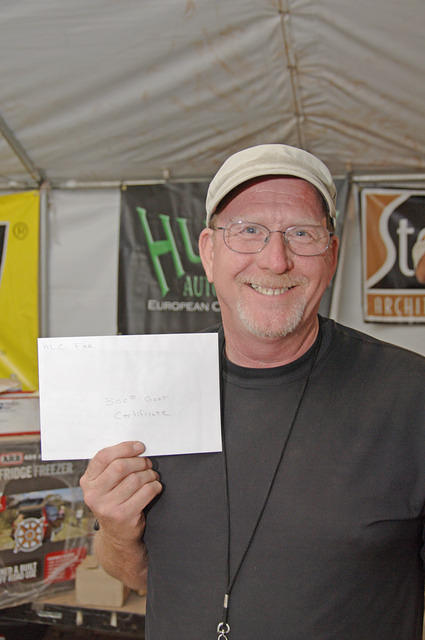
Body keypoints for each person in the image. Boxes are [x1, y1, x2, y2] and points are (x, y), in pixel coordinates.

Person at [80, 144, 425, 640]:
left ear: (331, 255)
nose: (275, 260)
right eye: (248, 231)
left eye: (301, 234)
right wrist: (116, 532)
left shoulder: (410, 397)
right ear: (208, 253)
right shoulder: (150, 391)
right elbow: (138, 576)